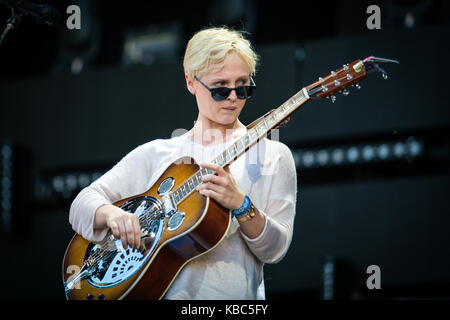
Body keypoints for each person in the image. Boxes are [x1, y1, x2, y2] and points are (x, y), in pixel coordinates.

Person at [69, 26, 297, 300]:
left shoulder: (273, 154)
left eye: (243, 86)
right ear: (191, 82)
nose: (234, 97)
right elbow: (82, 204)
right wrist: (112, 215)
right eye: (220, 89)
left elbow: (276, 250)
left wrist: (241, 204)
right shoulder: (156, 154)